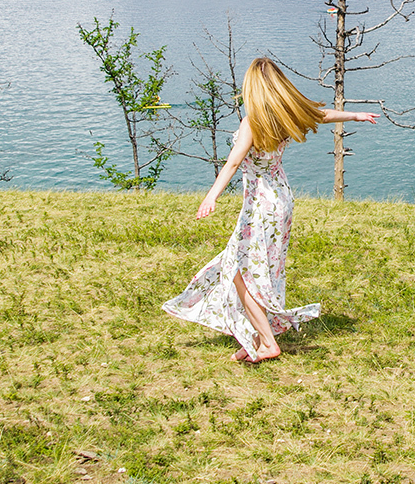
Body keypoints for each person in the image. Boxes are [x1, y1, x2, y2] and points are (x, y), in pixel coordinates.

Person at [162, 57, 378, 363]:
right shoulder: (285, 114)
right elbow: (321, 114)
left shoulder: (253, 122)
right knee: (261, 270)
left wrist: (211, 196)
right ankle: (257, 334)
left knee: (238, 271)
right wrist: (354, 115)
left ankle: (266, 341)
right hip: (281, 199)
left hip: (261, 204)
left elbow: (234, 162)